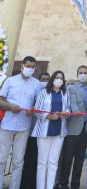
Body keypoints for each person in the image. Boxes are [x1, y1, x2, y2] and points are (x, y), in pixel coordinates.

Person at [0, 56, 41, 189]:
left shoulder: (36, 84)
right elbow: (0, 100)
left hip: (24, 127)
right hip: (6, 125)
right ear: (22, 66)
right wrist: (11, 107)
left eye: (32, 67)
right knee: (1, 160)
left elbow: (38, 104)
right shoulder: (10, 81)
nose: (30, 69)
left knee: (18, 161)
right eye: (27, 66)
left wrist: (32, 110)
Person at [31, 70, 70, 189]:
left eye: (61, 78)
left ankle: (49, 187)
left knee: (53, 162)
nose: (59, 80)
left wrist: (65, 113)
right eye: (57, 77)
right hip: (44, 130)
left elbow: (68, 109)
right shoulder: (44, 92)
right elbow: (36, 111)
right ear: (52, 79)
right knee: (42, 162)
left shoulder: (65, 93)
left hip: (59, 131)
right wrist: (48, 116)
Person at [56, 66, 87, 189]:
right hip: (72, 129)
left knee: (80, 161)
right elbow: (73, 103)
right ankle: (64, 184)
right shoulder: (71, 87)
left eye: (85, 73)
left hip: (85, 130)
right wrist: (76, 111)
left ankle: (75, 184)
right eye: (81, 73)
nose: (83, 75)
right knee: (67, 159)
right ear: (77, 74)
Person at [20, 72, 50, 189]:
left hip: (41, 132)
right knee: (28, 159)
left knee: (39, 161)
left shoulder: (48, 94)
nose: (45, 81)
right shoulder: (35, 92)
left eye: (47, 79)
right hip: (30, 131)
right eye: (43, 79)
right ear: (39, 80)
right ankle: (24, 185)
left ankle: (34, 185)